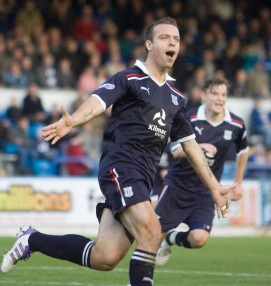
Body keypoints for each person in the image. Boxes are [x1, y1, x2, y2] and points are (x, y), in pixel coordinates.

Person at [0, 17, 235, 285]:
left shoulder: (176, 98)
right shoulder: (130, 78)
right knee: (151, 231)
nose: (173, 42)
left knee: (105, 257)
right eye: (165, 37)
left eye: (177, 39)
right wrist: (73, 120)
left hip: (143, 178)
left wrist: (214, 188)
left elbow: (190, 146)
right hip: (121, 166)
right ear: (149, 44)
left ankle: (32, 240)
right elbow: (99, 101)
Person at [155, 77, 249, 266]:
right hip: (177, 188)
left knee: (199, 239)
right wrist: (198, 147)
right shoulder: (187, 118)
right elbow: (175, 151)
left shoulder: (236, 124)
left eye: (223, 94)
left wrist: (238, 183)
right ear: (203, 95)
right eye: (215, 93)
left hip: (206, 192)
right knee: (151, 236)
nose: (220, 98)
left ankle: (171, 239)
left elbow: (243, 151)